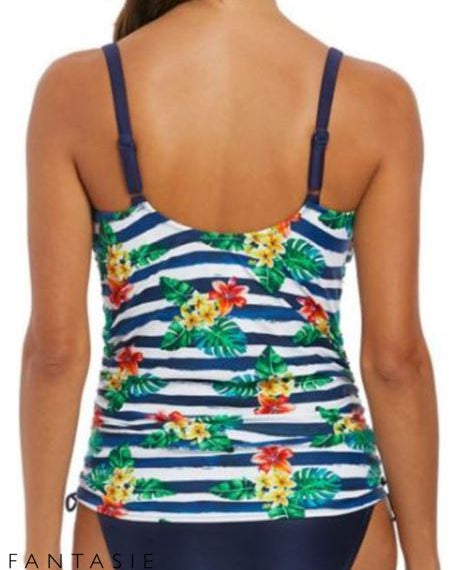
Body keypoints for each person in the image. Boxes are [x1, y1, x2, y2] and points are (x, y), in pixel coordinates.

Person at [21, 1, 440, 569]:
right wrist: (426, 557)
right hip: (329, 506)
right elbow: (396, 361)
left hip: (136, 507)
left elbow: (55, 354)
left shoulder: (78, 92)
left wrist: (39, 552)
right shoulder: (374, 100)